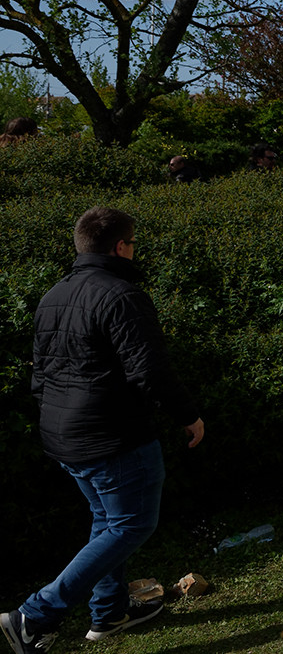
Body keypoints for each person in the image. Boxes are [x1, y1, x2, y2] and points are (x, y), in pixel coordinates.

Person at [2, 208, 204, 654]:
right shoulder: (122, 296)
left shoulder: (54, 294)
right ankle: (33, 615)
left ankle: (109, 612)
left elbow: (40, 373)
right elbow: (150, 370)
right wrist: (188, 415)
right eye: (133, 243)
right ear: (120, 247)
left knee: (107, 520)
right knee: (132, 524)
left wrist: (57, 419)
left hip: (64, 435)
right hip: (112, 436)